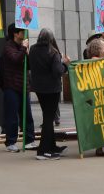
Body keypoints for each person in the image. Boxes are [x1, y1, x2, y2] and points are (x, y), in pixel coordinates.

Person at [28, 28, 69, 160]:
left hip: (39, 88)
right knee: (48, 119)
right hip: (52, 89)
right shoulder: (53, 52)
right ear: (51, 38)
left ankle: (51, 146)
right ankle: (44, 150)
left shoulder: (33, 49)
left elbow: (29, 66)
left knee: (47, 116)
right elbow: (58, 71)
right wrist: (65, 65)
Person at [2, 23, 37, 152]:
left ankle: (29, 140)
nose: (24, 33)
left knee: (27, 115)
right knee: (12, 116)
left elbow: (29, 66)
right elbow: (15, 59)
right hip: (12, 86)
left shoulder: (22, 47)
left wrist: (26, 52)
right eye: (22, 31)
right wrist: (23, 49)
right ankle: (11, 142)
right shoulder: (8, 47)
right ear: (15, 34)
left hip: (23, 86)